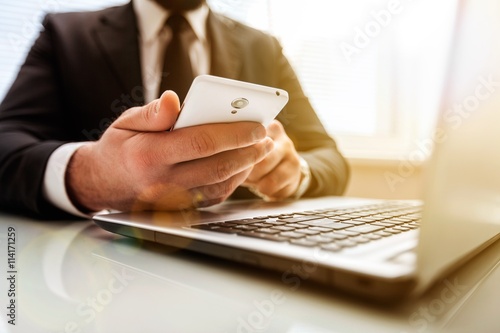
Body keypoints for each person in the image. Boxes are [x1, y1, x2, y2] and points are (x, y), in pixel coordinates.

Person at [0, 0, 349, 219]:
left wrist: (294, 172)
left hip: (234, 267)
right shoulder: (65, 34)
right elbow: (5, 145)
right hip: (96, 261)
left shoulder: (263, 47)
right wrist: (91, 175)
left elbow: (329, 157)